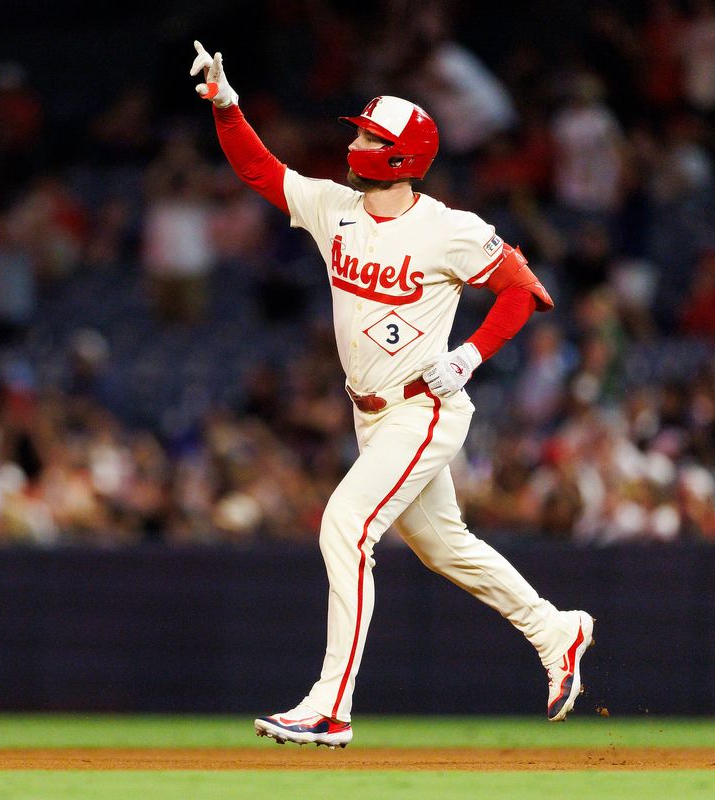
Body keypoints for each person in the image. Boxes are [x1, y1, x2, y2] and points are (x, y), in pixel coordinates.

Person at [190, 41, 594, 748]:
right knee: (444, 544)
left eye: (369, 135)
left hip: (423, 407)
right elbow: (261, 171)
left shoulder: (448, 229)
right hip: (369, 414)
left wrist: (469, 355)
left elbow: (523, 289)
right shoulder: (333, 206)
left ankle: (330, 705)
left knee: (345, 524)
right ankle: (556, 630)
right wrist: (227, 104)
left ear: (401, 155)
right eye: (359, 130)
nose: (355, 141)